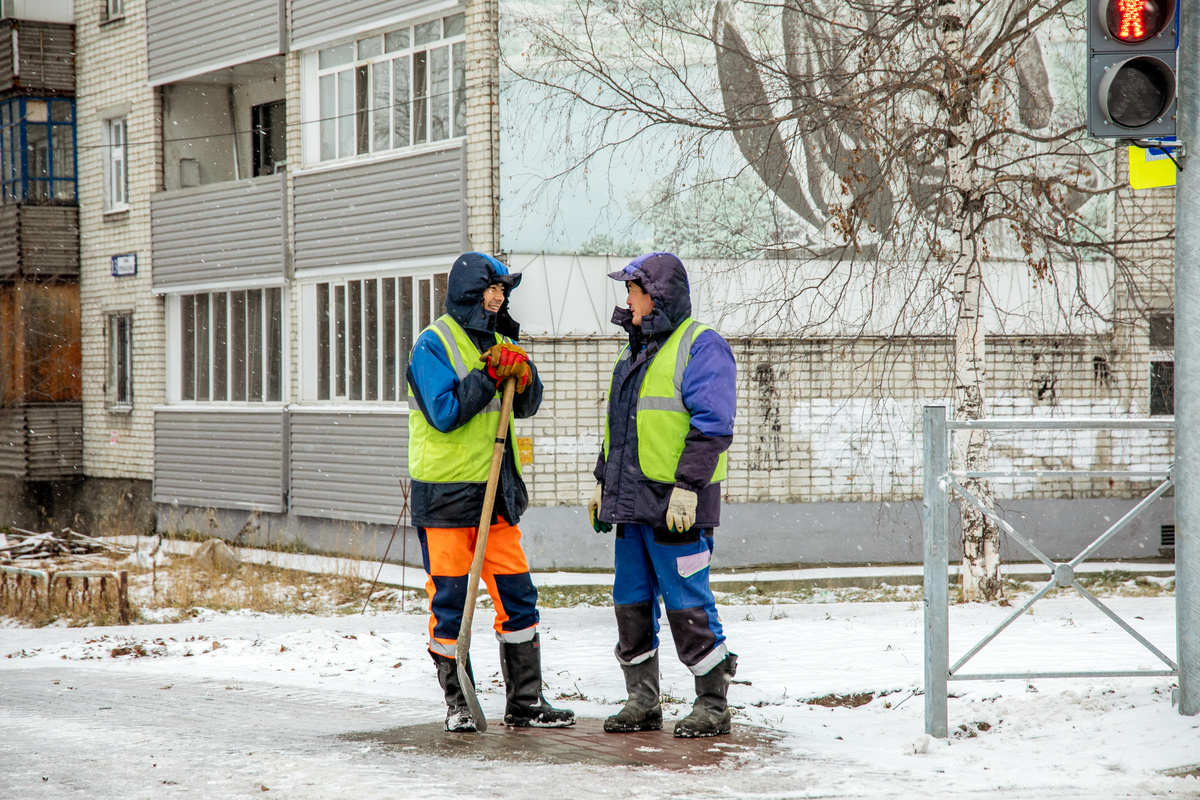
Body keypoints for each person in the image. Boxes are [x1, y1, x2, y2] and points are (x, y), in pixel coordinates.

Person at [407, 251, 574, 732]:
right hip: (444, 499)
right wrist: (488, 376)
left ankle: (525, 702)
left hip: (496, 495)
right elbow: (443, 412)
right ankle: (459, 702)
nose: (500, 299)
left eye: (504, 291)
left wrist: (524, 378)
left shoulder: (503, 339)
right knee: (451, 604)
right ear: (469, 292)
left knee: (518, 596)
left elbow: (526, 405)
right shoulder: (432, 344)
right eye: (493, 290)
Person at [588, 251, 738, 739]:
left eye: (632, 290)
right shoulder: (633, 352)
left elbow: (713, 427)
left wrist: (688, 489)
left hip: (677, 506)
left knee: (686, 605)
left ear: (657, 296)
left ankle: (713, 704)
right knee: (630, 605)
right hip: (631, 505)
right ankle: (642, 701)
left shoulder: (701, 346)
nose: (626, 299)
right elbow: (619, 431)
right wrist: (600, 480)